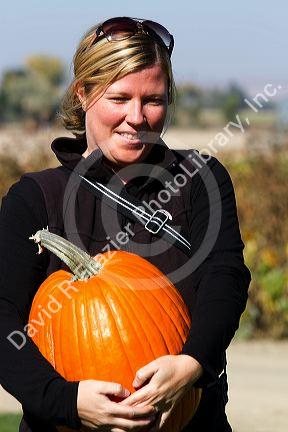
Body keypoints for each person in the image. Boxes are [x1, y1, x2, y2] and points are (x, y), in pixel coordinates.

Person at [0, 16, 251, 432]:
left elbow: (225, 277)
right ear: (83, 93)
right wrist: (67, 401)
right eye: (119, 98)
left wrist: (192, 365)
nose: (137, 117)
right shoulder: (36, 199)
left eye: (153, 100)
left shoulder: (200, 179)